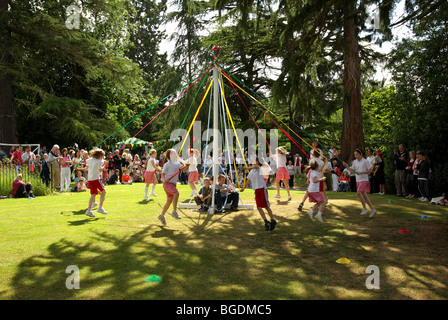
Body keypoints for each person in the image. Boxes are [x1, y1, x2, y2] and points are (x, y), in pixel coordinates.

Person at [240, 158, 277, 231]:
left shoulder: (259, 168)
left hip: (262, 189)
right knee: (259, 207)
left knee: (266, 206)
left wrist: (247, 167)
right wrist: (243, 187)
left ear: (257, 162)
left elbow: (256, 167)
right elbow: (248, 180)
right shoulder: (252, 171)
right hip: (256, 190)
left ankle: (273, 220)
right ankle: (266, 221)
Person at [157, 149, 188, 226]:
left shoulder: (177, 163)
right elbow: (163, 174)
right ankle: (174, 211)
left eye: (175, 153)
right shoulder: (167, 164)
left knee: (169, 201)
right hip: (167, 183)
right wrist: (164, 179)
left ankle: (161, 216)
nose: (175, 155)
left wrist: (188, 165)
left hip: (173, 184)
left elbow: (183, 170)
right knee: (176, 193)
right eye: (173, 154)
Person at [343, 149, 377, 218]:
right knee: (364, 195)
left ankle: (364, 208)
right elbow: (352, 171)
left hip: (364, 180)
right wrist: (346, 166)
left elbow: (370, 170)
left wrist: (361, 172)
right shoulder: (355, 162)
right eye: (355, 155)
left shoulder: (365, 161)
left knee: (358, 193)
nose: (356, 156)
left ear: (361, 154)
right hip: (358, 180)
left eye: (357, 154)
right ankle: (372, 209)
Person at [85, 148, 108, 217]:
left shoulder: (90, 160)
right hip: (96, 178)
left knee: (93, 194)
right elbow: (100, 170)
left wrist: (103, 162)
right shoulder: (98, 161)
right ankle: (100, 207)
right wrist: (105, 165)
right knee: (103, 191)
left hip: (90, 179)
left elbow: (87, 161)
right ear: (100, 156)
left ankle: (89, 210)